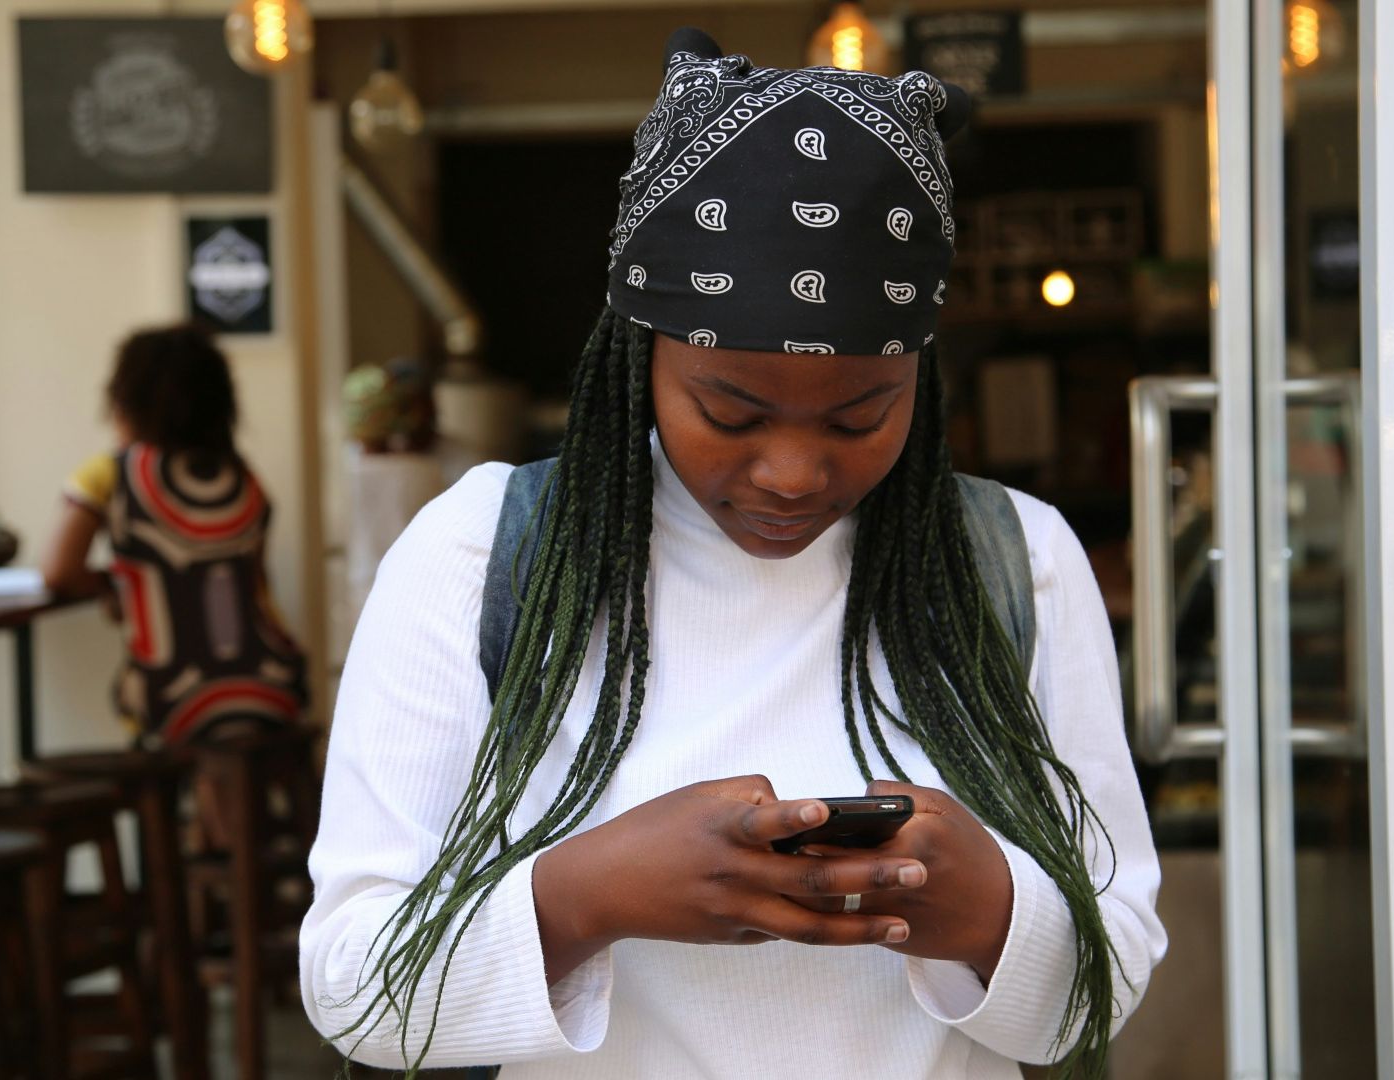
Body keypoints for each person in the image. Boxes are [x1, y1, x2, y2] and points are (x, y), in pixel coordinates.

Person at [298, 29, 1164, 1079]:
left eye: (861, 418)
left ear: (921, 386)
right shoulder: (480, 553)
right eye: (730, 410)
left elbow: (1107, 976)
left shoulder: (1013, 559)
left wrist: (989, 913)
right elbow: (352, 988)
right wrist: (590, 896)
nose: (793, 473)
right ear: (638, 354)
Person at [41, 323, 309, 746]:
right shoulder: (242, 479)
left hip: (167, 694)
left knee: (149, 712)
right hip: (271, 683)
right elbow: (253, 587)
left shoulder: (110, 471)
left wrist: (121, 584)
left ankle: (172, 813)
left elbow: (57, 572)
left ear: (125, 402)